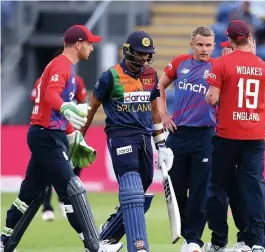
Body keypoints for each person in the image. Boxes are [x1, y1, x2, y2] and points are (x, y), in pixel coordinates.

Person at [0, 25, 123, 252]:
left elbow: (53, 105)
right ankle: (95, 245)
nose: (91, 48)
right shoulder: (61, 65)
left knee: (28, 194)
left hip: (47, 134)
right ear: (78, 43)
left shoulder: (65, 67)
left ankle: (4, 242)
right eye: (89, 43)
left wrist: (73, 134)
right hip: (47, 136)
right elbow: (50, 95)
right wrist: (66, 107)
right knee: (73, 189)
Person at [80, 31, 173, 252]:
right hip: (120, 135)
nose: (143, 58)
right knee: (131, 187)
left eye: (147, 54)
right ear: (128, 51)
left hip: (144, 136)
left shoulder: (151, 74)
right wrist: (78, 138)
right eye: (139, 53)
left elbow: (153, 110)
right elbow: (91, 108)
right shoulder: (110, 76)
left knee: (143, 188)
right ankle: (138, 246)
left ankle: (107, 234)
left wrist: (161, 146)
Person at [204, 20, 265, 252]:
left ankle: (218, 241)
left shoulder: (222, 63)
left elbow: (212, 99)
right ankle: (257, 242)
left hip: (227, 135)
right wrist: (252, 61)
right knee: (253, 188)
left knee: (216, 188)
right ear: (249, 40)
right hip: (254, 136)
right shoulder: (263, 65)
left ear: (231, 40)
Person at [156, 26, 216, 252]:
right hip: (178, 134)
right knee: (176, 188)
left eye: (208, 45)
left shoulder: (217, 67)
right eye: (200, 44)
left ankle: (194, 240)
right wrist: (162, 114)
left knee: (200, 190)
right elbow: (160, 85)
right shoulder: (180, 62)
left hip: (205, 135)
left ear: (213, 45)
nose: (204, 49)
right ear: (192, 44)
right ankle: (188, 234)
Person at [31, 48, 88, 222]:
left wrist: (77, 129)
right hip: (49, 130)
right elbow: (39, 101)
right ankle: (48, 207)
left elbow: (82, 102)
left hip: (67, 129)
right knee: (49, 171)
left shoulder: (76, 80)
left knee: (75, 164)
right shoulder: (42, 81)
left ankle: (64, 202)